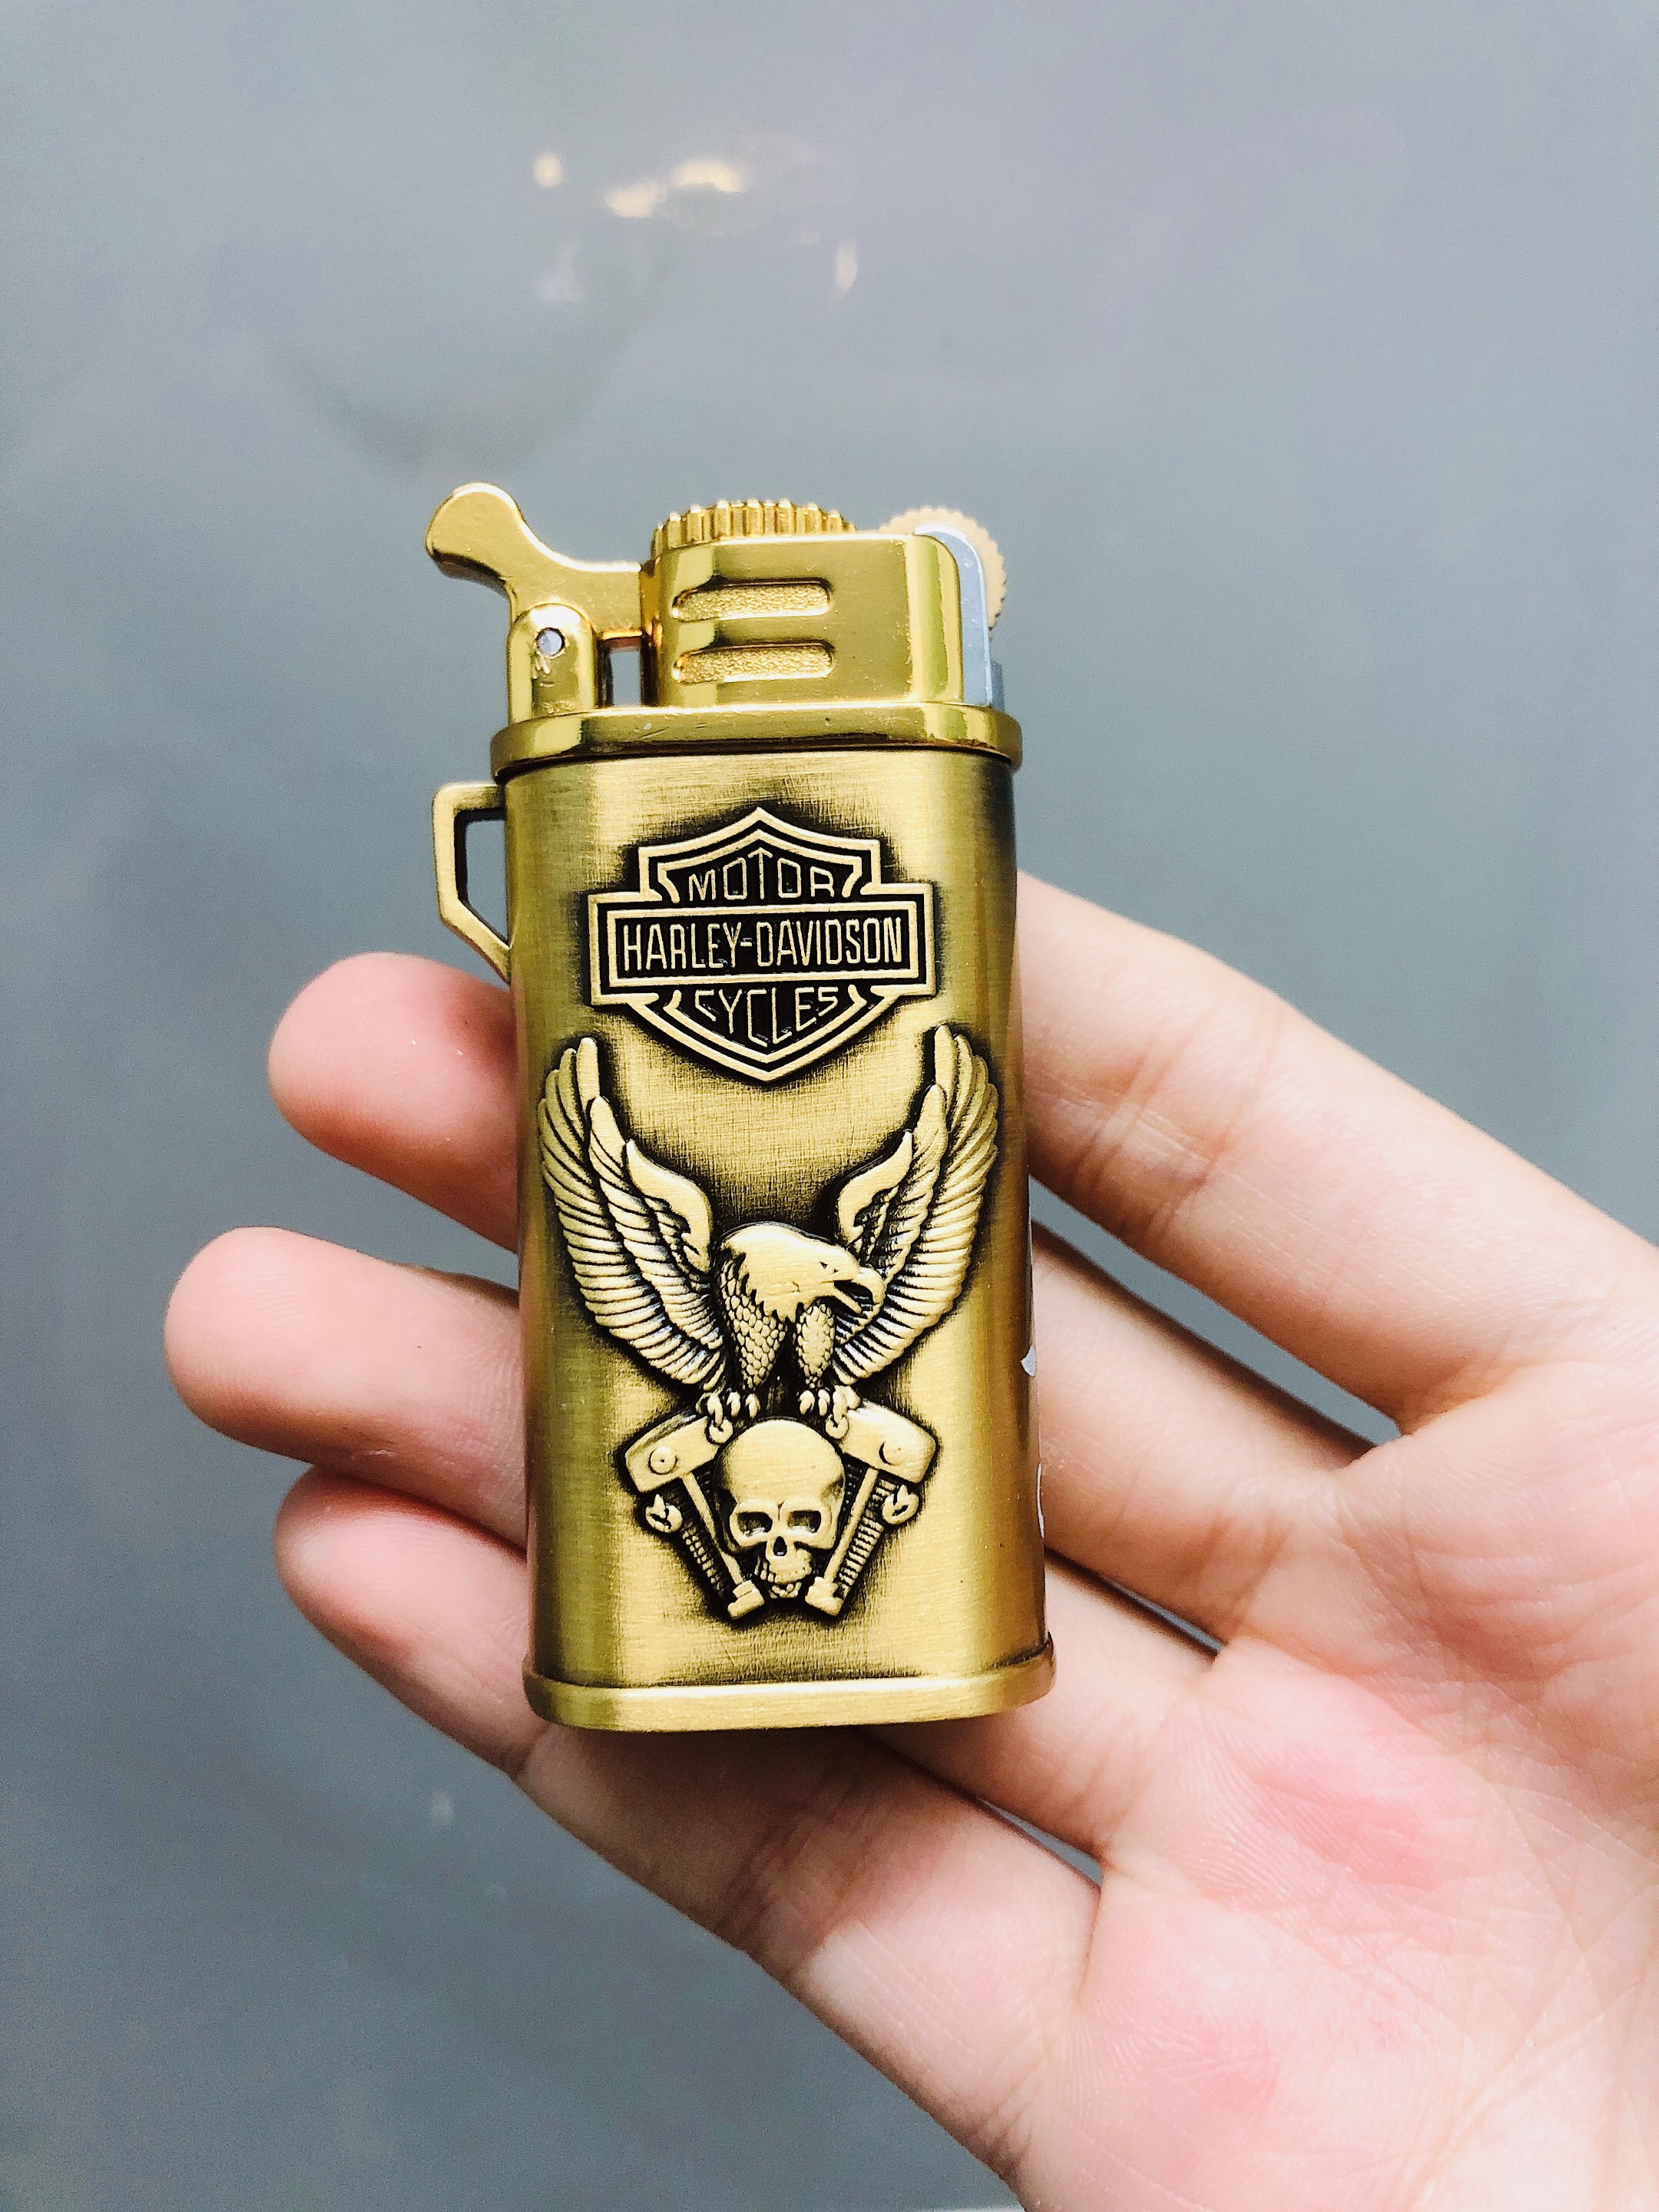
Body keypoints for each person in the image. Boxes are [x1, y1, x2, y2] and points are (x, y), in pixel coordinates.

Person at [166, 875, 1659, 2207]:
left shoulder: (839, 1328)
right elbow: (633, 1207)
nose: (826, 1295)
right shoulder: (720, 1319)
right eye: (804, 1290)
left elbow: (900, 1251)